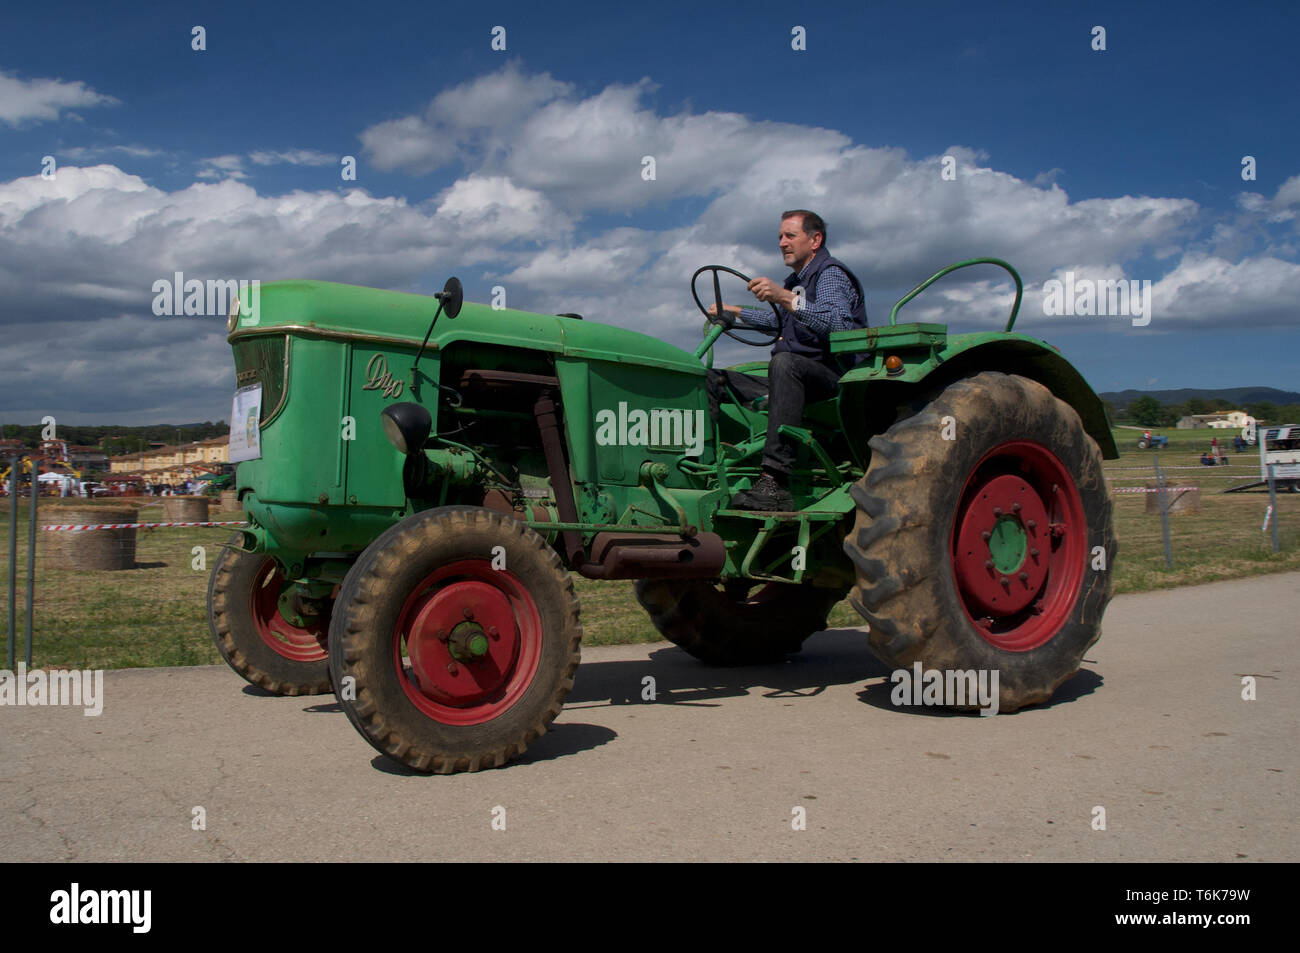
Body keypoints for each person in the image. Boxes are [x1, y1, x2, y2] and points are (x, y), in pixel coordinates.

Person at [705, 210, 868, 510]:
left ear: (815, 239)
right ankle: (701, 463)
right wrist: (735, 312)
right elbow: (778, 322)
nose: (782, 243)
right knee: (711, 378)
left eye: (790, 236)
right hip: (796, 377)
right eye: (780, 236)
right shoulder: (796, 282)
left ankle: (774, 481)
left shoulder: (830, 274)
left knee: (785, 363)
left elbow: (839, 325)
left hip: (834, 380)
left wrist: (782, 296)